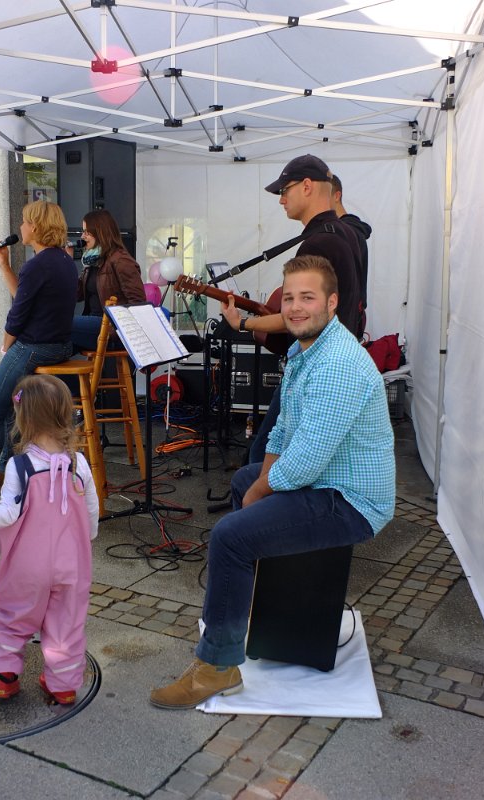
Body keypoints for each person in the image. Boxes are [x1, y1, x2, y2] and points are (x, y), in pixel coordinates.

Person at [150, 255, 395, 709]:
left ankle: (217, 667)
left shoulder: (338, 362)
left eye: (308, 298)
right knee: (246, 480)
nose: (296, 308)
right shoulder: (308, 349)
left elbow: (305, 461)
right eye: (290, 298)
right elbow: (282, 432)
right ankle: (248, 607)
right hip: (328, 478)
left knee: (230, 536)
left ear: (332, 302)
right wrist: (258, 484)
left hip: (352, 500)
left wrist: (260, 493)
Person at [0, 374, 99, 703]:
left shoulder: (19, 466)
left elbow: (6, 514)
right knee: (66, 624)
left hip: (27, 566)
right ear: (65, 414)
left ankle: (5, 676)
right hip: (72, 564)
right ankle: (63, 686)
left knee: (14, 617)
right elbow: (92, 511)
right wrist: (87, 541)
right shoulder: (79, 463)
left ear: (22, 417)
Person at [221, 154, 364, 464]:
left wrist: (242, 323)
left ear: (307, 186)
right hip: (335, 361)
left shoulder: (318, 243)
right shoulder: (349, 234)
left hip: (312, 366)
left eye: (285, 190)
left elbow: (296, 318)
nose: (282, 199)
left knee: (263, 456)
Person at [0, 201, 78, 503]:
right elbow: (25, 299)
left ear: (36, 227)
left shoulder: (37, 265)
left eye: (25, 221)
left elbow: (16, 317)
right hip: (59, 345)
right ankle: (6, 474)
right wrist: (4, 266)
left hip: (35, 346)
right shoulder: (64, 261)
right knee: (10, 407)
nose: (21, 227)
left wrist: (5, 346)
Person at [71, 209, 146, 352]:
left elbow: (138, 303)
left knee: (58, 323)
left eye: (87, 232)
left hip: (112, 326)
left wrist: (115, 332)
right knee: (51, 344)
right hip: (94, 322)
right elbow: (76, 295)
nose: (82, 236)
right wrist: (68, 262)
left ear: (100, 232)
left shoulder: (121, 260)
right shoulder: (92, 261)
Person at [330, 173, 372, 328]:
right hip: (347, 319)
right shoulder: (350, 231)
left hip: (341, 322)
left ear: (337, 195)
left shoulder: (345, 233)